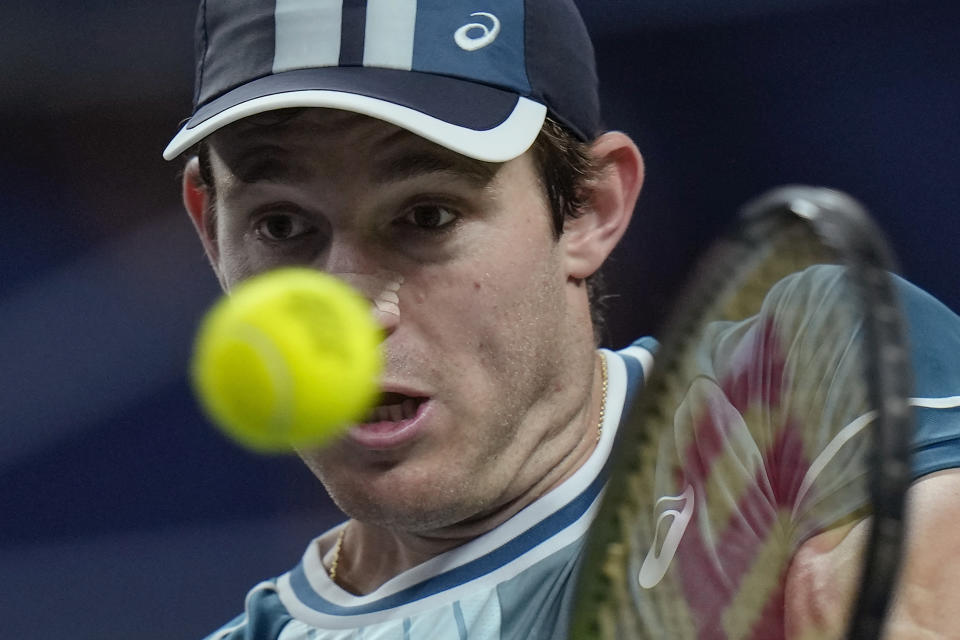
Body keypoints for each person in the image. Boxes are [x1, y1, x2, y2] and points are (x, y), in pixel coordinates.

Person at [163, 1, 960, 638]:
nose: (351, 313)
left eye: (427, 216)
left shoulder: (804, 372)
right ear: (209, 229)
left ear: (589, 209)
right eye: (281, 227)